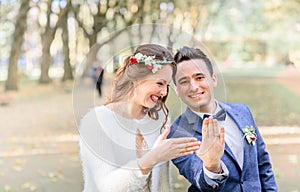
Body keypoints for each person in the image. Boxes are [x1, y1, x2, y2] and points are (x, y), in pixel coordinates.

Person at [79, 44, 200, 192]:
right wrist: (152, 158)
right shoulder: (95, 122)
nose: (163, 92)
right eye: (159, 83)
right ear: (137, 80)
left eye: (167, 85)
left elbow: (162, 185)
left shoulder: (159, 119)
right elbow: (106, 187)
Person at [168, 46, 277, 191]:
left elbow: (262, 164)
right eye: (184, 81)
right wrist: (211, 166)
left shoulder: (242, 112)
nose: (193, 87)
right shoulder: (178, 134)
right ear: (177, 90)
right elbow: (200, 181)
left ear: (213, 79)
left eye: (199, 77)